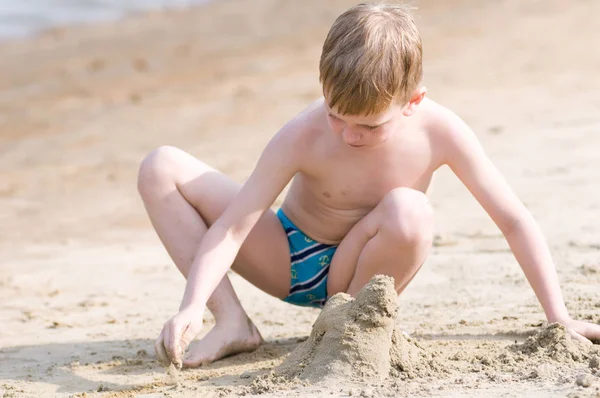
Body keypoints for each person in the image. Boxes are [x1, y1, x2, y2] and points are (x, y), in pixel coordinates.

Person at [137, 2, 600, 369]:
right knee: (161, 166)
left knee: (410, 210)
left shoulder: (442, 131)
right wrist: (193, 303)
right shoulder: (304, 132)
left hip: (362, 273)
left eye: (369, 126)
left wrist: (559, 316)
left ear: (412, 102)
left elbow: (513, 220)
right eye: (336, 116)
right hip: (285, 256)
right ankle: (232, 321)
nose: (348, 135)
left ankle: (344, 327)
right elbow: (236, 226)